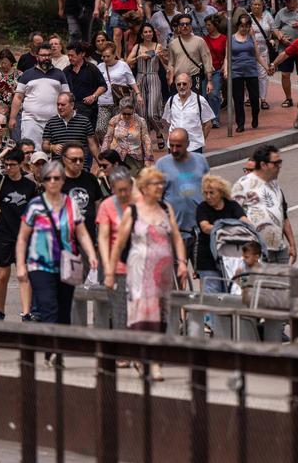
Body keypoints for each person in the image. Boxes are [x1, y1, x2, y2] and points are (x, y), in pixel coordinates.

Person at [108, 168, 189, 374]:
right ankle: (151, 362)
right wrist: (110, 272)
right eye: (156, 184)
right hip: (140, 271)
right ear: (144, 188)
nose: (160, 187)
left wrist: (181, 263)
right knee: (145, 313)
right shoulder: (133, 211)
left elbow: (177, 237)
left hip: (162, 272)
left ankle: (148, 356)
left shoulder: (166, 208)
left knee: (161, 314)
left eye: (162, 183)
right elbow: (119, 244)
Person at [15, 159, 99, 328]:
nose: (52, 182)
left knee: (64, 312)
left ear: (62, 180)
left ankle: (57, 351)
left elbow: (81, 232)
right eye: (48, 178)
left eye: (56, 178)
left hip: (66, 264)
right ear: (43, 181)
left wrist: (91, 254)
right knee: (48, 307)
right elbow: (23, 238)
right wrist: (20, 265)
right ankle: (52, 349)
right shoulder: (35, 206)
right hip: (40, 265)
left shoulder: (70, 203)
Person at [0, 147, 38, 321]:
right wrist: (1, 155)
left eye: (12, 165)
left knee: (24, 275)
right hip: (2, 236)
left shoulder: (30, 185)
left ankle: (26, 312)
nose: (8, 168)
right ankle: (0, 310)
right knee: (2, 275)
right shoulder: (0, 180)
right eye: (6, 165)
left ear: (21, 164)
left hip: (23, 236)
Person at [232, 144, 295, 264]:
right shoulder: (243, 184)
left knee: (282, 282)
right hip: (256, 251)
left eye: (280, 162)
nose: (279, 166)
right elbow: (231, 216)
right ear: (263, 165)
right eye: (276, 163)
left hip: (279, 249)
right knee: (261, 282)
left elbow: (283, 217)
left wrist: (292, 244)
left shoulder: (275, 185)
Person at [156, 128, 209, 261]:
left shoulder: (201, 161)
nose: (174, 149)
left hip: (200, 230)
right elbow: (156, 198)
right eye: (171, 145)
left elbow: (209, 189)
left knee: (204, 273)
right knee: (177, 274)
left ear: (188, 144)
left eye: (178, 146)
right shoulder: (161, 164)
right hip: (175, 231)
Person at [195, 174, 249, 291]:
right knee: (212, 298)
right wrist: (227, 229)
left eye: (211, 193)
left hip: (231, 257)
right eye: (206, 193)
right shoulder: (202, 208)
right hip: (208, 260)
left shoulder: (232, 206)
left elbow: (245, 222)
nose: (208, 196)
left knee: (232, 292)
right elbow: (205, 227)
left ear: (221, 192)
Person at [11, 44, 70, 146]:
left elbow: (67, 96)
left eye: (48, 55)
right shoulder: (27, 74)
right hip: (31, 121)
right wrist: (12, 118)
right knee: (30, 152)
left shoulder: (60, 74)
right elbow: (18, 97)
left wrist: (68, 116)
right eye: (43, 55)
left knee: (54, 153)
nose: (46, 58)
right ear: (37, 56)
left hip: (55, 121)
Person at [224, 12, 269, 133]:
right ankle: (241, 124)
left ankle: (255, 117)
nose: (244, 28)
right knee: (238, 100)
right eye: (242, 26)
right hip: (236, 72)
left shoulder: (251, 38)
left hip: (251, 72)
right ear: (238, 26)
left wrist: (266, 67)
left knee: (254, 99)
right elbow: (227, 57)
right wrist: (226, 70)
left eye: (247, 26)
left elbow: (258, 56)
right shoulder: (231, 38)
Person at [127, 22, 168, 147]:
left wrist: (162, 56)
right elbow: (128, 61)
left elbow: (166, 63)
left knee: (152, 112)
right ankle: (146, 139)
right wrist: (139, 56)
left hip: (153, 77)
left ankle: (159, 131)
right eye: (145, 32)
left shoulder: (158, 46)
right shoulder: (137, 47)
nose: (148, 34)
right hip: (140, 79)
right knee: (142, 112)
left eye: (150, 31)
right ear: (142, 34)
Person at [97, 166, 135, 297]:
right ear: (112, 188)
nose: (124, 194)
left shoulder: (140, 203)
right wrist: (108, 268)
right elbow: (103, 238)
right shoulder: (106, 205)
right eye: (119, 190)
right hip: (115, 265)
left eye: (126, 190)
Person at [162, 72, 214, 153]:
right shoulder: (171, 101)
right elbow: (168, 123)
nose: (181, 87)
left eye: (184, 84)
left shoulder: (200, 100)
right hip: (174, 148)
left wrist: (199, 140)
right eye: (179, 84)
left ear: (190, 84)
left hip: (194, 147)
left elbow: (208, 124)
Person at [165, 12, 213, 99]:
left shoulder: (199, 41)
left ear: (191, 26)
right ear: (179, 27)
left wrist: (209, 81)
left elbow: (207, 61)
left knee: (195, 104)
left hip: (194, 78)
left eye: (187, 24)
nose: (185, 26)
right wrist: (171, 79)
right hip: (179, 79)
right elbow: (171, 63)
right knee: (179, 105)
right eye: (182, 24)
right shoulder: (173, 44)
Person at [96, 42, 138, 138]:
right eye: (103, 57)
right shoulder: (99, 67)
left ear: (114, 55)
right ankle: (108, 145)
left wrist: (138, 93)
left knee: (120, 129)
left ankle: (116, 149)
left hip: (119, 102)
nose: (105, 59)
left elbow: (131, 81)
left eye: (108, 56)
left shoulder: (123, 65)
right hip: (103, 102)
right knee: (100, 129)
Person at [63, 41, 107, 131]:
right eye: (68, 56)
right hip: (71, 110)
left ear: (82, 54)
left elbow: (103, 86)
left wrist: (93, 96)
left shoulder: (91, 68)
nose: (70, 58)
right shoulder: (66, 71)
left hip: (89, 110)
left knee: (87, 137)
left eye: (72, 56)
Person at [101, 98, 153, 172]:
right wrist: (104, 156)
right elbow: (108, 138)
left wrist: (148, 159)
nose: (126, 116)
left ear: (133, 110)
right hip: (117, 158)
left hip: (135, 158)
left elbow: (146, 140)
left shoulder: (140, 121)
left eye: (129, 114)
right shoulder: (114, 120)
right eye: (124, 114)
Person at [202, 14, 227, 120]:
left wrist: (224, 66)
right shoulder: (203, 40)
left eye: (209, 25)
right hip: (204, 70)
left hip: (216, 70)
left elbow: (227, 55)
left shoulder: (224, 38)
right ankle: (206, 119)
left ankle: (215, 118)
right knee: (204, 96)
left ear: (215, 25)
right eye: (206, 25)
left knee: (214, 94)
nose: (206, 27)